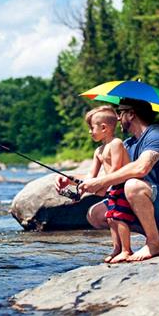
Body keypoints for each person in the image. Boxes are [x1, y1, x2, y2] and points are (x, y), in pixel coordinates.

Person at [78, 98, 159, 261]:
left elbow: (142, 168)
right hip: (154, 203)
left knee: (133, 186)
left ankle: (154, 243)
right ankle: (152, 230)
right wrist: (71, 181)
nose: (117, 118)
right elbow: (110, 176)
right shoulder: (127, 144)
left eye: (120, 113)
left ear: (131, 114)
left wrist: (101, 183)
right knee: (96, 214)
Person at [55, 105, 136, 263]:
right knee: (111, 218)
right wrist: (79, 191)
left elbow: (115, 169)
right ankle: (117, 249)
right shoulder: (98, 151)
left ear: (104, 128)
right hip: (112, 188)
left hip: (122, 187)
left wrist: (102, 186)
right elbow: (91, 176)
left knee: (120, 218)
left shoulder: (116, 144)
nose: (90, 132)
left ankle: (127, 250)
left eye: (91, 128)